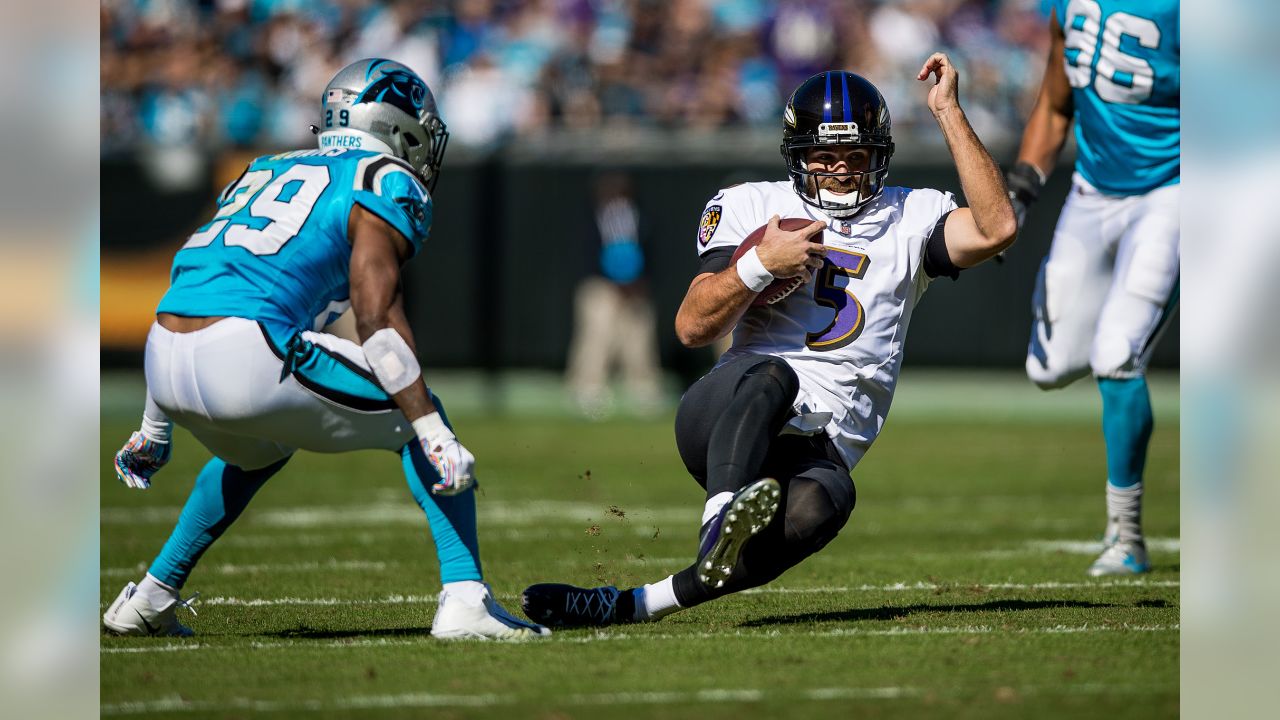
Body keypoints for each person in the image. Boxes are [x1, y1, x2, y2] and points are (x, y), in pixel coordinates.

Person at [522, 57, 1016, 626]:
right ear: (797, 155)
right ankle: (719, 518)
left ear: (878, 158)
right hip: (732, 412)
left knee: (828, 503)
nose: (839, 171)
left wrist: (949, 112)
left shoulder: (909, 215)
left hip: (819, 445)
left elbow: (996, 227)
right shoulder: (752, 205)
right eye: (824, 156)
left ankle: (637, 603)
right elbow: (691, 327)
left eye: (855, 157)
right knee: (775, 375)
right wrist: (759, 264)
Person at [103, 58, 549, 641]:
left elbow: (192, 285)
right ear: (396, 125)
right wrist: (432, 429)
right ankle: (466, 600)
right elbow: (376, 317)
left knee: (259, 451)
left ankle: (149, 598)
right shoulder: (384, 178)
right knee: (418, 417)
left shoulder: (265, 166)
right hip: (246, 349)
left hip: (163, 352)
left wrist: (153, 425)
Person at [1005, 1, 1179, 576]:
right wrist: (1019, 196)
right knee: (1048, 368)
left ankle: (1125, 536)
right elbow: (1057, 104)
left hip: (1176, 188)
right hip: (1094, 189)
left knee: (1116, 353)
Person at [564, 172, 663, 418]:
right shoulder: (592, 217)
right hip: (601, 286)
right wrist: (612, 279)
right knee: (597, 338)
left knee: (639, 339)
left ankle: (644, 389)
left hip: (636, 288)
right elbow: (588, 252)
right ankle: (589, 389)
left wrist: (638, 281)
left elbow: (646, 252)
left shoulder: (640, 217)